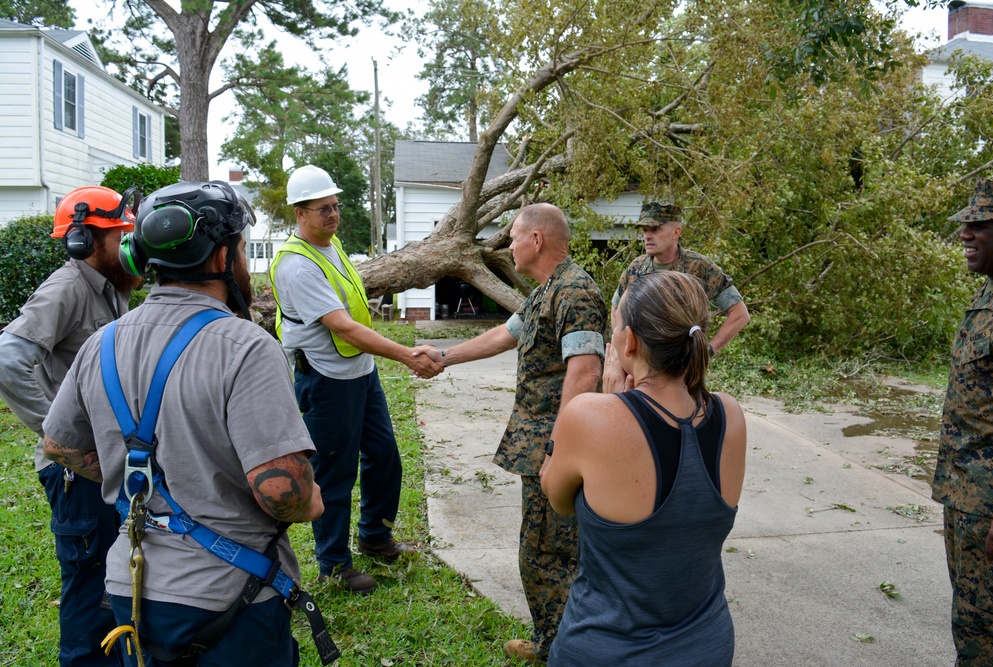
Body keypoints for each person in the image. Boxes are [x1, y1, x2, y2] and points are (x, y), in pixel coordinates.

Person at [41, 181, 328, 666]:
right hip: (231, 598)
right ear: (222, 257)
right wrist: (312, 501)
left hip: (130, 592)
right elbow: (283, 492)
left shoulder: (101, 343)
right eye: (240, 247)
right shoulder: (246, 345)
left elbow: (59, 446)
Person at [413, 203, 607, 664]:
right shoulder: (546, 292)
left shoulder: (575, 291)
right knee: (543, 550)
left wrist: (560, 451)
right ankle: (554, 641)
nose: (509, 245)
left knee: (549, 555)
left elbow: (585, 372)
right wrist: (443, 356)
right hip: (540, 447)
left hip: (554, 451)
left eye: (513, 236)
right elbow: (505, 334)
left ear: (536, 240)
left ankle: (563, 648)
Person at [541, 270, 747, 666]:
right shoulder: (730, 415)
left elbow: (558, 498)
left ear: (629, 341)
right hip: (708, 647)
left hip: (604, 650)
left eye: (615, 327)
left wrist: (608, 403)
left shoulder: (590, 416)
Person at [270, 165, 435, 594]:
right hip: (326, 379)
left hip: (359, 371)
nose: (333, 215)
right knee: (335, 472)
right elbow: (343, 326)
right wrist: (406, 355)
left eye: (335, 206)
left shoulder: (330, 245)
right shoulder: (296, 266)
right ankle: (334, 564)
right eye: (323, 208)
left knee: (385, 456)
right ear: (298, 213)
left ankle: (375, 537)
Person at [0, 185, 141, 667]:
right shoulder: (67, 288)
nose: (129, 242)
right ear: (87, 239)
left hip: (103, 463)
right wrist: (56, 434)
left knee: (113, 577)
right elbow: (8, 358)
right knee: (88, 586)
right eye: (121, 233)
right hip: (75, 472)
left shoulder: (111, 287)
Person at [934, 177, 993, 666]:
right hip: (966, 498)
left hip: (992, 505)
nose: (965, 234)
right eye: (965, 224)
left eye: (980, 224)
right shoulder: (989, 294)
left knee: (988, 635)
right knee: (972, 623)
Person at [613, 201, 750, 356]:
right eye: (645, 230)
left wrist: (708, 350)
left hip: (682, 367)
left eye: (655, 230)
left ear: (676, 232)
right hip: (642, 365)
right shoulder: (636, 268)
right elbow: (616, 309)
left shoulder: (699, 267)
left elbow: (739, 314)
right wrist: (623, 351)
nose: (647, 236)